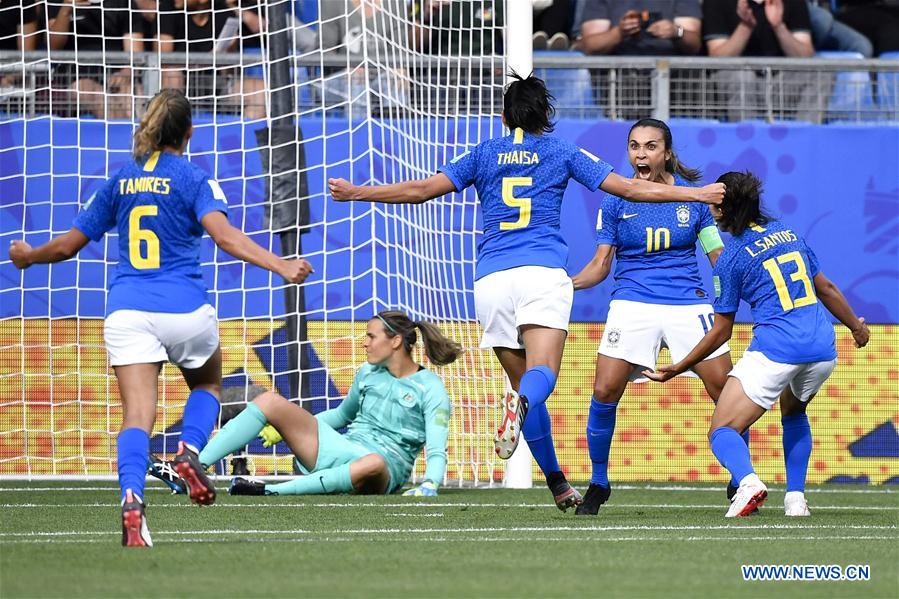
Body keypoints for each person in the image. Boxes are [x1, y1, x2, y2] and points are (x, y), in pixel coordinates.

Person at [328, 73, 726, 510]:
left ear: (504, 116)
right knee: (541, 380)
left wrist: (357, 192)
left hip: (492, 279)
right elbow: (629, 187)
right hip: (542, 274)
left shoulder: (483, 152)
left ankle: (557, 482)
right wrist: (699, 192)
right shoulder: (561, 150)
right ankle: (521, 405)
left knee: (524, 382)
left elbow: (422, 190)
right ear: (546, 116)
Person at [8, 89, 313, 546]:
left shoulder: (118, 180)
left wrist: (30, 256)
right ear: (188, 133)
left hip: (128, 311)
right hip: (184, 309)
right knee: (208, 385)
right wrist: (283, 266)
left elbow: (69, 245)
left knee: (136, 416)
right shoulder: (195, 179)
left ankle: (132, 501)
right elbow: (226, 237)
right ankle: (189, 451)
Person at [645, 171, 870, 518]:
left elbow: (721, 331)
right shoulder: (789, 233)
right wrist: (856, 327)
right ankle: (795, 499)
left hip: (778, 349)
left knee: (722, 429)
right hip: (823, 347)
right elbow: (825, 288)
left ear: (721, 210)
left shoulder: (731, 258)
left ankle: (748, 482)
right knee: (794, 411)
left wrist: (677, 367)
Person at [570, 118, 735, 516]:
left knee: (727, 392)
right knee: (605, 390)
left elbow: (718, 258)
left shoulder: (691, 200)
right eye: (634, 146)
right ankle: (598, 481)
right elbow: (600, 265)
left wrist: (735, 290)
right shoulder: (615, 199)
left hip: (687, 303)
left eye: (650, 146)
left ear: (667, 153)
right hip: (632, 303)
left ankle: (740, 476)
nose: (640, 154)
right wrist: (565, 285)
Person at [191, 310, 459, 497]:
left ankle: (268, 490)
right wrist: (287, 428)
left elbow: (437, 449)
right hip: (342, 450)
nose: (364, 343)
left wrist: (430, 483)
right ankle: (192, 468)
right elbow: (343, 415)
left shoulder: (431, 389)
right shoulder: (367, 373)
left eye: (371, 336)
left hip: (383, 470)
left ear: (396, 341)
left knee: (373, 462)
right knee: (269, 401)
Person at [703, 0, 819, 122]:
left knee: (820, 74)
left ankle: (804, 137)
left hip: (779, 84)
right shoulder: (715, 2)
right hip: (737, 82)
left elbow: (805, 56)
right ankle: (746, 137)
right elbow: (718, 57)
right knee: (743, 76)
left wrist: (779, 27)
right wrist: (746, 26)